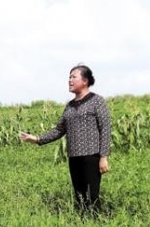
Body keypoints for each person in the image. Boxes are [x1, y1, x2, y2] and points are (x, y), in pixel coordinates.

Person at [19, 64, 111, 214]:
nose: (69, 80)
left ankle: (97, 221)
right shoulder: (69, 106)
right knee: (79, 196)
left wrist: (103, 157)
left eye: (73, 77)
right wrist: (36, 139)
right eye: (69, 77)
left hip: (91, 156)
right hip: (74, 157)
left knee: (92, 196)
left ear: (85, 81)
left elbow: (105, 129)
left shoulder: (97, 101)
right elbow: (59, 129)